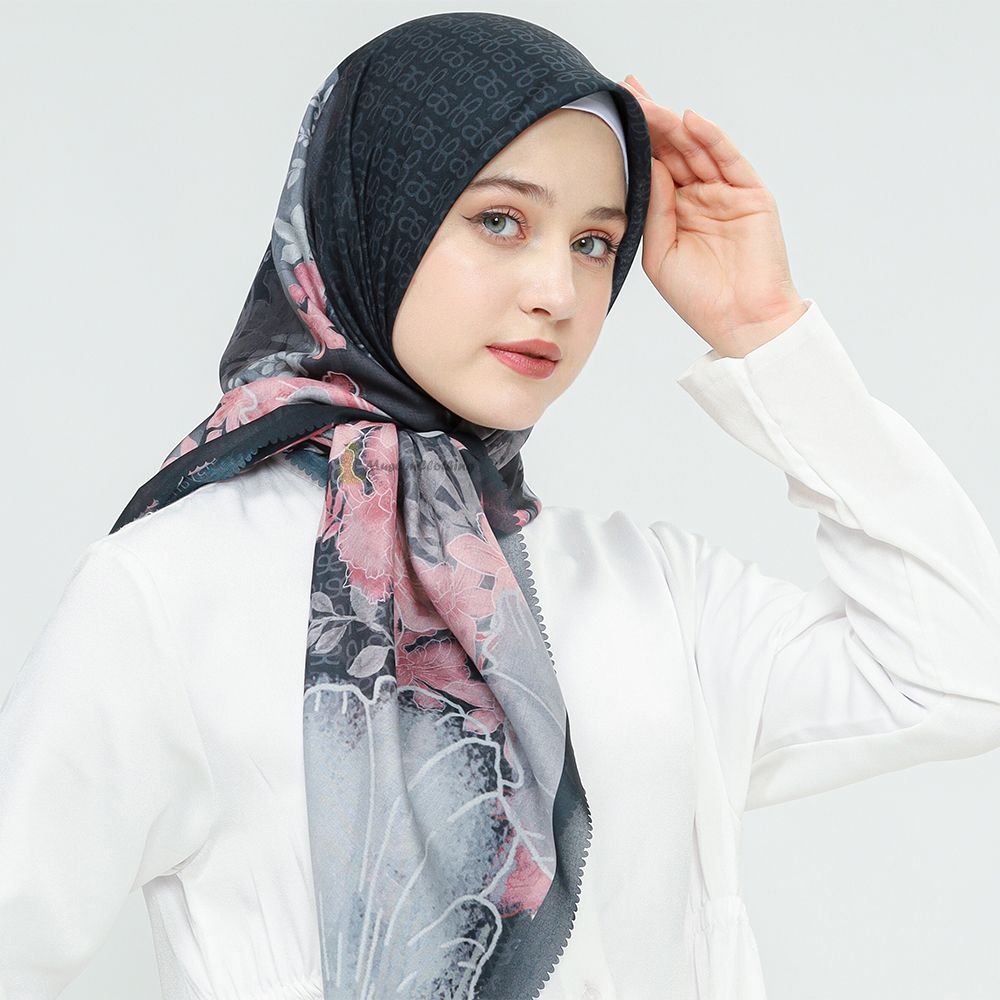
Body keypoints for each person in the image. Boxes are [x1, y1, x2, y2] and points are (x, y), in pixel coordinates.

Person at [3, 10, 1000, 1000]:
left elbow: (960, 674)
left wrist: (764, 328)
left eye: (595, 243)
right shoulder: (174, 590)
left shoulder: (648, 592)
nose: (557, 291)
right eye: (500, 220)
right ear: (374, 213)